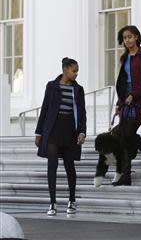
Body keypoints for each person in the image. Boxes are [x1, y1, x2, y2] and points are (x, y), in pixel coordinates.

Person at [34, 57, 86, 216]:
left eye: (77, 71)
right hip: (52, 131)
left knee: (70, 166)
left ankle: (72, 200)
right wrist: (39, 132)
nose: (76, 73)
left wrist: (82, 132)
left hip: (70, 131)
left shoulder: (78, 89)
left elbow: (82, 112)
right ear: (65, 69)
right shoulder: (51, 86)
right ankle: (52, 202)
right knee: (52, 165)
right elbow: (45, 109)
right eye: (73, 70)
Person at [113, 25, 141, 186]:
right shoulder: (124, 58)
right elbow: (122, 82)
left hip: (140, 101)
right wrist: (119, 102)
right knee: (125, 135)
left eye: (130, 36)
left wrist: (133, 95)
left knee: (126, 133)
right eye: (125, 38)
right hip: (126, 101)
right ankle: (134, 167)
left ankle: (130, 170)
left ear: (137, 37)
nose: (127, 40)